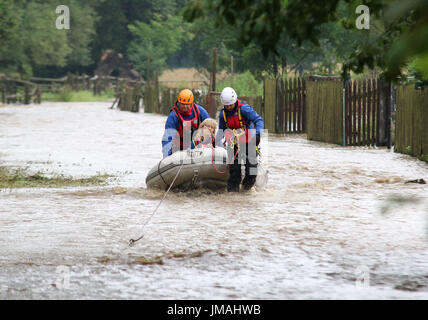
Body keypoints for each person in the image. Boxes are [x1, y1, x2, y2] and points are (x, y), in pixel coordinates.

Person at [215, 87, 264, 192]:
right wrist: (215, 143)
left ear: (235, 101)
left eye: (230, 105)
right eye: (226, 105)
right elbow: (221, 131)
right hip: (233, 144)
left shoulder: (244, 109)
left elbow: (258, 120)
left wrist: (258, 134)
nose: (228, 108)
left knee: (251, 170)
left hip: (248, 142)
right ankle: (233, 196)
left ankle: (246, 191)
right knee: (235, 171)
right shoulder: (222, 114)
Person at [161, 89, 210, 158]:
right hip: (179, 149)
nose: (185, 106)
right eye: (183, 104)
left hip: (197, 146)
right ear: (179, 102)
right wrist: (167, 155)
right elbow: (168, 137)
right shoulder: (173, 116)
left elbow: (211, 125)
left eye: (187, 104)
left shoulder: (199, 111)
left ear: (192, 103)